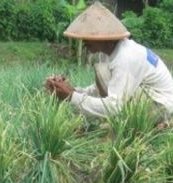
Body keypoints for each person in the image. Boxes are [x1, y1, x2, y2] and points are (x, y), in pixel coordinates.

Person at [44, 2, 173, 124]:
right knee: (102, 73)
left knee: (117, 109)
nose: (84, 41)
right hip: (147, 96)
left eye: (89, 37)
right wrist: (72, 91)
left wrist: (72, 96)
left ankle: (145, 126)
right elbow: (98, 89)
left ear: (105, 38)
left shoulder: (126, 57)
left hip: (160, 106)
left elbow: (114, 107)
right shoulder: (106, 53)